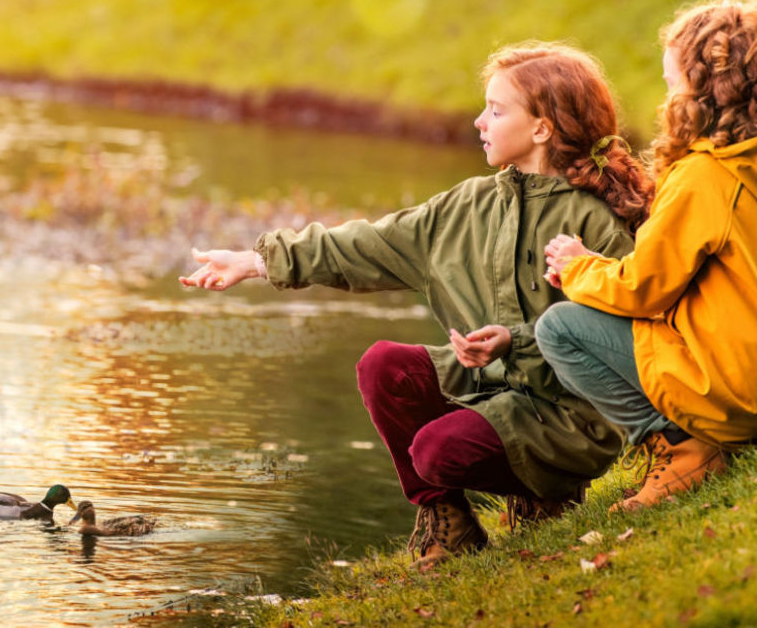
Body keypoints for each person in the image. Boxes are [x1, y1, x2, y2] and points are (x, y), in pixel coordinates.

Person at [180, 42, 653, 570]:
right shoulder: (467, 204)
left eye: (496, 111)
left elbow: (616, 336)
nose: (479, 121)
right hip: (487, 389)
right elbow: (360, 245)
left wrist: (512, 341)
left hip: (567, 420)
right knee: (383, 365)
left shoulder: (594, 223)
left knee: (435, 451)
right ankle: (449, 523)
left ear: (541, 129)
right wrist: (253, 261)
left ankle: (548, 494)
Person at [537, 0, 757, 513]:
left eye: (672, 83)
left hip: (733, 393)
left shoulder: (704, 174)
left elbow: (644, 287)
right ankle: (706, 435)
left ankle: (685, 450)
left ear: (704, 90)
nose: (666, 97)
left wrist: (580, 267)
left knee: (559, 329)